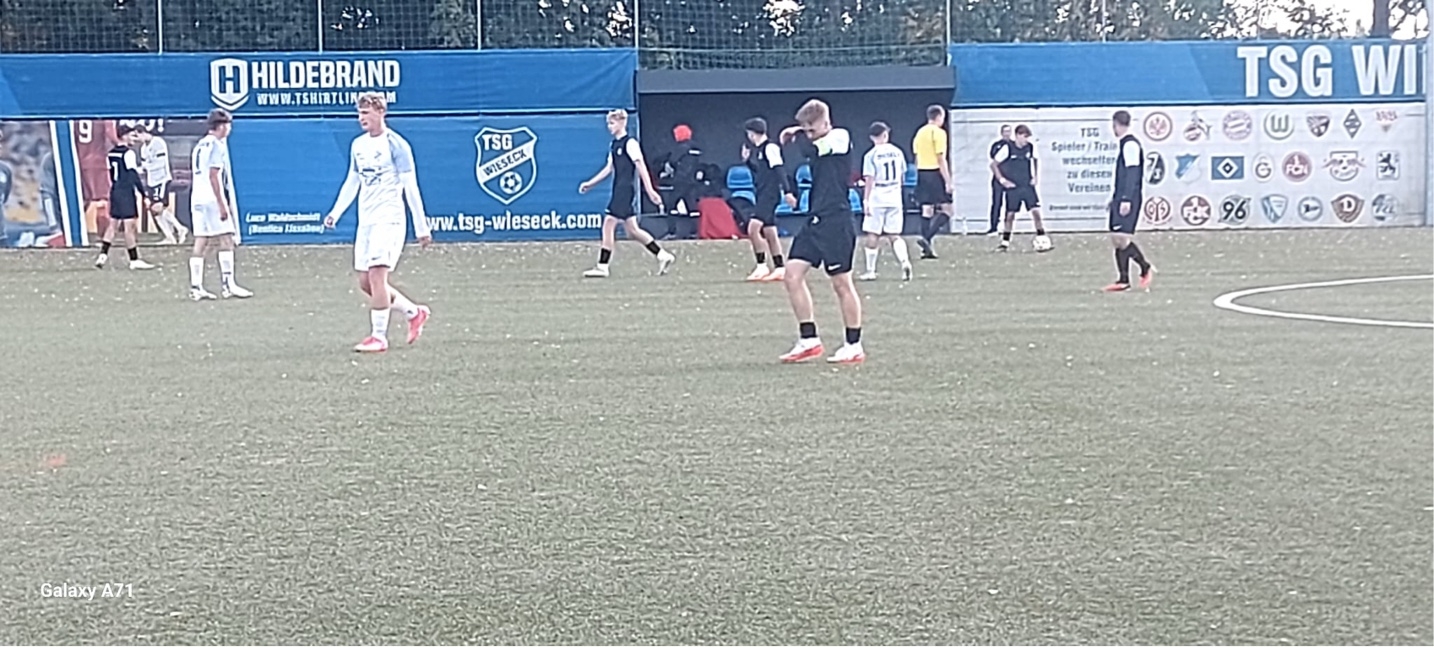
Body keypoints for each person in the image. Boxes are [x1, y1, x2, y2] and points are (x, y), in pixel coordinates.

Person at [322, 93, 434, 353]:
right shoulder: (358, 145)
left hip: (389, 219)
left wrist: (421, 227)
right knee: (366, 282)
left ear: (381, 112)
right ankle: (414, 312)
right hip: (367, 221)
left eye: (367, 113)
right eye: (359, 113)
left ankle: (379, 337)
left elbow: (411, 187)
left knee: (377, 275)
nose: (361, 118)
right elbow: (353, 180)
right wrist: (336, 212)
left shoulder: (396, 145)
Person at [776, 99, 864, 364]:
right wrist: (799, 131)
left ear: (826, 123)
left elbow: (812, 149)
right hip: (815, 219)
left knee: (841, 283)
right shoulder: (813, 138)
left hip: (836, 220)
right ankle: (809, 339)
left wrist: (796, 134)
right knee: (792, 275)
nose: (809, 134)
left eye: (812, 129)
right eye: (806, 129)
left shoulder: (840, 138)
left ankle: (853, 344)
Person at [578, 109, 674, 278]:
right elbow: (609, 168)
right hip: (618, 188)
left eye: (612, 123)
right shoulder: (614, 145)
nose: (609, 127)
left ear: (622, 123)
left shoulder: (630, 144)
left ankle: (602, 266)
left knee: (608, 223)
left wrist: (650, 190)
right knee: (632, 231)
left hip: (625, 190)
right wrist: (590, 183)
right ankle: (662, 255)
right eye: (608, 123)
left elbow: (641, 166)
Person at [187, 109, 252, 301]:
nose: (230, 129)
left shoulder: (200, 144)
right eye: (228, 125)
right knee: (227, 238)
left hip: (197, 197)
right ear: (221, 126)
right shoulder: (217, 145)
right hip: (211, 198)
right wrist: (222, 204)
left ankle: (196, 286)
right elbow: (213, 176)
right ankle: (228, 285)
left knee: (201, 239)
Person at [1105, 110, 1155, 292]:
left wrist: (1126, 199)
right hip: (1121, 196)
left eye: (1114, 125)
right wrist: (1115, 198)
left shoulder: (1130, 145)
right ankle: (1123, 279)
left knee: (1121, 237)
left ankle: (1144, 267)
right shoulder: (1125, 144)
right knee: (1117, 238)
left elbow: (1132, 173)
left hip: (1129, 197)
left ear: (1117, 124)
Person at [94, 125, 155, 270]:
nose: (134, 138)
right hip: (126, 192)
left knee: (113, 225)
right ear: (124, 136)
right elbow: (133, 175)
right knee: (129, 226)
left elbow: (111, 173)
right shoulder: (128, 154)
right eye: (131, 135)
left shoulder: (111, 154)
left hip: (115, 190)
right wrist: (144, 194)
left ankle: (102, 255)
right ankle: (134, 260)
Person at [741, 117, 794, 282]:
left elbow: (779, 170)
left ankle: (761, 265)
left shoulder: (770, 148)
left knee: (753, 228)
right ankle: (780, 267)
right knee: (770, 231)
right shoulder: (759, 151)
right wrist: (747, 162)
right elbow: (761, 173)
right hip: (762, 192)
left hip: (769, 195)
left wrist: (788, 191)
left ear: (752, 133)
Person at [858, 121, 911, 281]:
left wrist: (866, 200)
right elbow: (902, 176)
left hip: (877, 195)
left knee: (873, 233)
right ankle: (904, 262)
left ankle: (870, 271)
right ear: (885, 135)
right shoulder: (898, 152)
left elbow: (869, 179)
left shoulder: (870, 155)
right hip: (894, 195)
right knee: (894, 234)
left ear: (871, 137)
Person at [991, 125, 1051, 252]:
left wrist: (1035, 177)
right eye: (1024, 137)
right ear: (1017, 135)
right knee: (1010, 215)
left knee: (1036, 211)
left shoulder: (1030, 147)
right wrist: (1003, 180)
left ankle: (1042, 237)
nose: (1026, 140)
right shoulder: (1008, 148)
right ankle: (1005, 243)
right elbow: (994, 164)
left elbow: (1036, 160)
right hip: (1014, 187)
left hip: (1027, 185)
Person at [136, 124, 189, 245]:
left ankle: (179, 228)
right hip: (151, 181)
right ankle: (170, 236)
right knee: (155, 210)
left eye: (137, 136)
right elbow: (145, 164)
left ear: (143, 133)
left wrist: (145, 167)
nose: (137, 139)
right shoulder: (143, 148)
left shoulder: (158, 143)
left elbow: (160, 163)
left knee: (158, 207)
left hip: (161, 179)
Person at [912, 104, 953, 259]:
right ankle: (927, 238)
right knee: (948, 210)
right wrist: (947, 180)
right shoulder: (939, 133)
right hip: (935, 172)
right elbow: (940, 158)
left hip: (922, 172)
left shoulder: (920, 132)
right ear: (939, 117)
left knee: (926, 209)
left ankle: (926, 250)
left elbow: (916, 156)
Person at [653, 124, 703, 240]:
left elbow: (672, 162)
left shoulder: (680, 148)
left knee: (671, 205)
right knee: (692, 208)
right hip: (692, 181)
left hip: (680, 181)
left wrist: (666, 172)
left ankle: (672, 232)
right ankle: (694, 232)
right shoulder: (696, 148)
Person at [987, 125, 1012, 235]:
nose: (1007, 134)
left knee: (1010, 204)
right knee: (997, 203)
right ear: (1001, 133)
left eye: (1009, 131)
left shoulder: (1013, 145)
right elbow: (993, 159)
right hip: (998, 178)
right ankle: (993, 227)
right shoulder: (996, 145)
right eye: (1005, 131)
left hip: (1010, 178)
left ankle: (1007, 227)